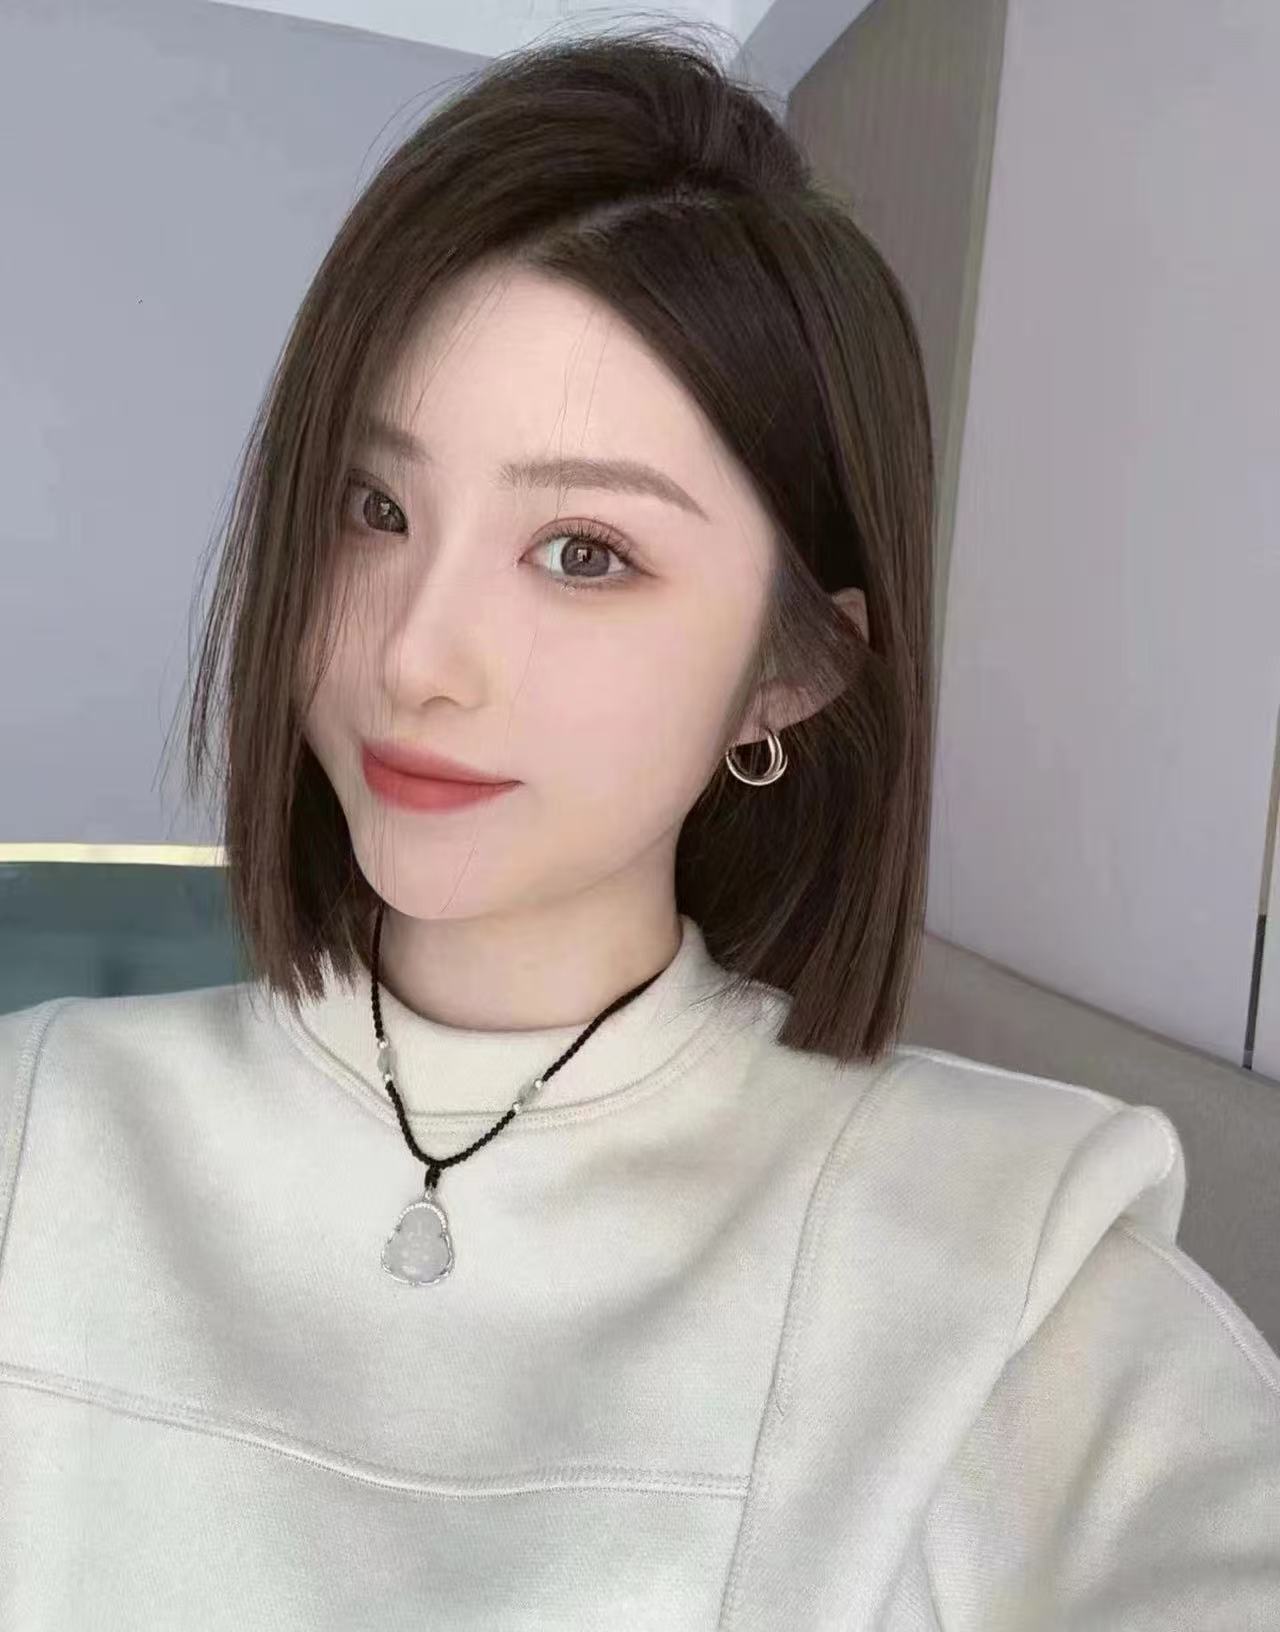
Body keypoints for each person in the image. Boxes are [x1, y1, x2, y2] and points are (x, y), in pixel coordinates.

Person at [2, 26, 1277, 1631]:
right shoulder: (40, 1127)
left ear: (791, 668)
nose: (417, 657)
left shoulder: (1010, 1270)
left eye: (585, 553)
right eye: (373, 508)